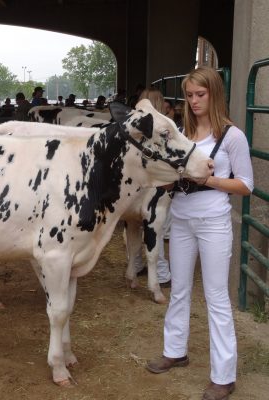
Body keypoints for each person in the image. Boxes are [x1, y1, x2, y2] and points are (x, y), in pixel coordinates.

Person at [146, 66, 254, 400]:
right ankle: (175, 350)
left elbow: (246, 185)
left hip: (213, 221)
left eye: (200, 94)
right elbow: (166, 178)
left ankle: (224, 375)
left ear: (214, 94)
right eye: (190, 95)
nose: (194, 101)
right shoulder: (180, 133)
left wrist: (208, 180)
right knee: (179, 288)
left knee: (216, 296)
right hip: (180, 218)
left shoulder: (231, 136)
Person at [132, 87, 172, 288]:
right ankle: (162, 273)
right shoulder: (164, 133)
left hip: (134, 187)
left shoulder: (134, 132)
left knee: (133, 227)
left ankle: (136, 265)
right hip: (157, 185)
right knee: (157, 226)